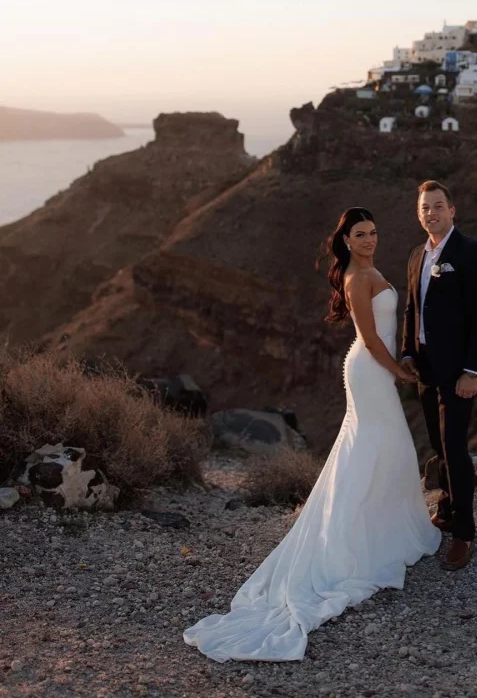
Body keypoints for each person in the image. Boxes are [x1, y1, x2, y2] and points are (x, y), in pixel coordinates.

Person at [183, 207, 441, 662]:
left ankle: (382, 528)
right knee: (373, 446)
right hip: (369, 369)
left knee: (384, 448)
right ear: (345, 241)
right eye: (360, 235)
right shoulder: (357, 280)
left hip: (376, 370)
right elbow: (368, 336)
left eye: (374, 233)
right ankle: (353, 544)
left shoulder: (371, 270)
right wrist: (399, 373)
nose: (369, 240)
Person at [401, 181, 477, 571]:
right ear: (418, 214)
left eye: (438, 206)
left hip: (458, 371)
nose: (431, 213)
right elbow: (411, 308)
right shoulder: (416, 256)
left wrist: (472, 370)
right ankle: (449, 508)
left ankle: (465, 534)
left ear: (452, 211)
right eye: (425, 208)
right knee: (438, 444)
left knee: (455, 446)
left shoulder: (470, 252)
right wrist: (407, 351)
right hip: (425, 367)